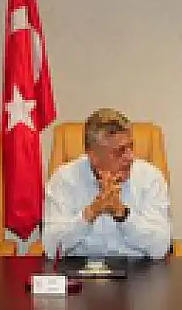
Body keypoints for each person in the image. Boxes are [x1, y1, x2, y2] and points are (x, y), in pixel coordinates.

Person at [43, 108, 172, 259]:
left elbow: (160, 248)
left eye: (131, 147)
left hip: (136, 268)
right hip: (79, 267)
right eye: (120, 151)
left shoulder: (150, 178)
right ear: (93, 156)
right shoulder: (64, 179)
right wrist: (90, 213)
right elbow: (51, 249)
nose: (130, 157)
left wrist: (122, 214)